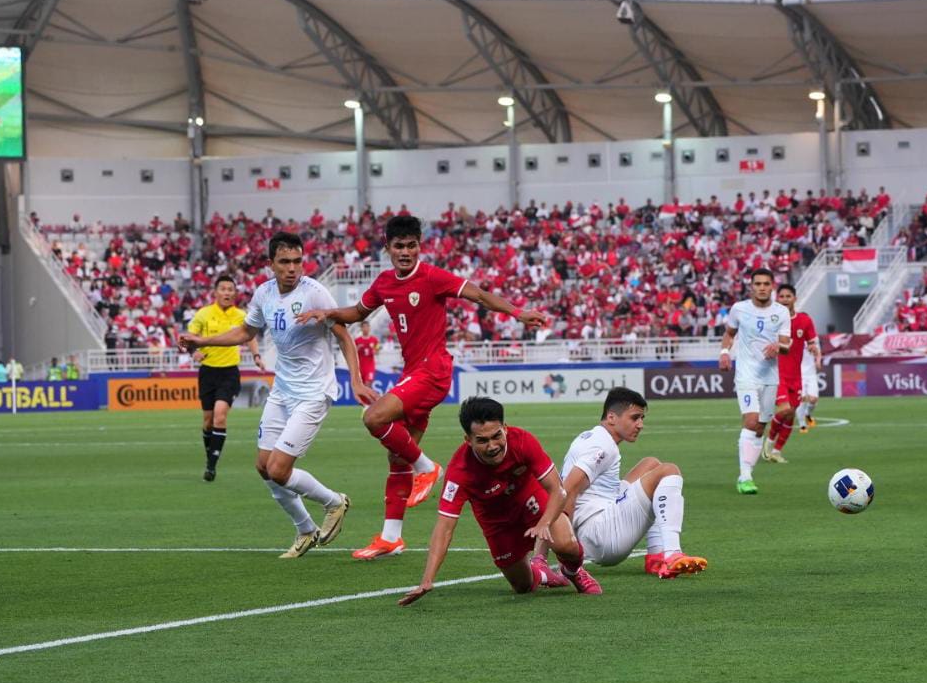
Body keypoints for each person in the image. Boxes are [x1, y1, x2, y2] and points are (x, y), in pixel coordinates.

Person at [296, 215, 546, 561]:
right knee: (397, 456)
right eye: (399, 246)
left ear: (419, 247)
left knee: (373, 418)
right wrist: (326, 312)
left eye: (412, 245)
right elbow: (356, 312)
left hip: (434, 371)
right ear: (388, 249)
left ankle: (428, 467)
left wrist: (517, 312)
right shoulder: (384, 283)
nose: (406, 252)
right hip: (412, 372)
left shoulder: (432, 277)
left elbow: (479, 295)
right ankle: (391, 537)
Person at [180, 232, 370, 558]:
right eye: (284, 262)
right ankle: (305, 529)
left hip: (313, 392)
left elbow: (343, 335)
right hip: (282, 390)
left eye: (297, 261)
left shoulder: (315, 293)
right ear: (271, 265)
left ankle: (335, 502)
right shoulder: (264, 293)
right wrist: (202, 342)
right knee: (263, 467)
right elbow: (246, 332)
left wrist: (356, 380)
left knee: (280, 470)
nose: (292, 268)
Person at [397, 397, 601, 606]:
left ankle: (573, 571)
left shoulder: (523, 441)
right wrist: (427, 580)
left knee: (566, 545)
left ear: (505, 428)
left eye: (497, 436)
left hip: (530, 498)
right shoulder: (459, 471)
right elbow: (444, 527)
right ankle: (542, 573)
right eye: (482, 441)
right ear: (468, 440)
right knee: (522, 586)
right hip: (496, 522)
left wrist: (545, 523)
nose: (492, 446)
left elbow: (558, 490)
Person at [535, 387, 707, 580]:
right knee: (668, 471)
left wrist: (542, 556)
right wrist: (567, 554)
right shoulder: (602, 447)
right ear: (611, 418)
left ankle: (656, 557)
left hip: (595, 522)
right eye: (634, 418)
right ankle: (673, 553)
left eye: (642, 418)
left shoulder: (591, 436)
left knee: (650, 464)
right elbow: (567, 492)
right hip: (600, 536)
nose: (640, 424)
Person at [718, 269, 791, 494]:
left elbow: (787, 345)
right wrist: (724, 351)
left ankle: (748, 470)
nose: (761, 287)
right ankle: (744, 476)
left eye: (766, 284)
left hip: (770, 377)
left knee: (760, 427)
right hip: (746, 375)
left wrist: (778, 347)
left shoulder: (781, 312)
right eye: (757, 283)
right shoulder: (739, 309)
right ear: (751, 286)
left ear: (772, 287)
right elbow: (729, 333)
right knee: (750, 421)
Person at [187, 275, 265, 482]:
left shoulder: (240, 315)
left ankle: (211, 466)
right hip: (207, 372)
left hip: (230, 372)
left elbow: (250, 337)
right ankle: (210, 456)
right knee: (208, 421)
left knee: (220, 416)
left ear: (235, 293)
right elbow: (189, 338)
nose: (227, 292)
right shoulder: (203, 314)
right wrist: (194, 352)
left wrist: (256, 356)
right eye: (223, 289)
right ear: (215, 292)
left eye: (231, 289)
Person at [763, 284, 820, 463]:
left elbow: (812, 342)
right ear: (777, 299)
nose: (785, 299)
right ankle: (769, 444)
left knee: (791, 413)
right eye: (782, 296)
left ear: (795, 298)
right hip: (776, 374)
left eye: (789, 296)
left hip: (796, 375)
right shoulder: (771, 321)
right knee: (785, 409)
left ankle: (777, 451)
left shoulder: (804, 320)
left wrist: (812, 347)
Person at [354, 320, 379, 387]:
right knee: (362, 387)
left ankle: (369, 397)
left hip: (370, 366)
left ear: (369, 328)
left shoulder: (374, 340)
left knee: (368, 384)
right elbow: (353, 353)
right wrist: (358, 348)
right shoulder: (357, 340)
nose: (365, 329)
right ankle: (365, 397)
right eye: (364, 327)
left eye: (367, 327)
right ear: (361, 328)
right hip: (360, 367)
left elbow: (377, 351)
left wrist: (374, 350)